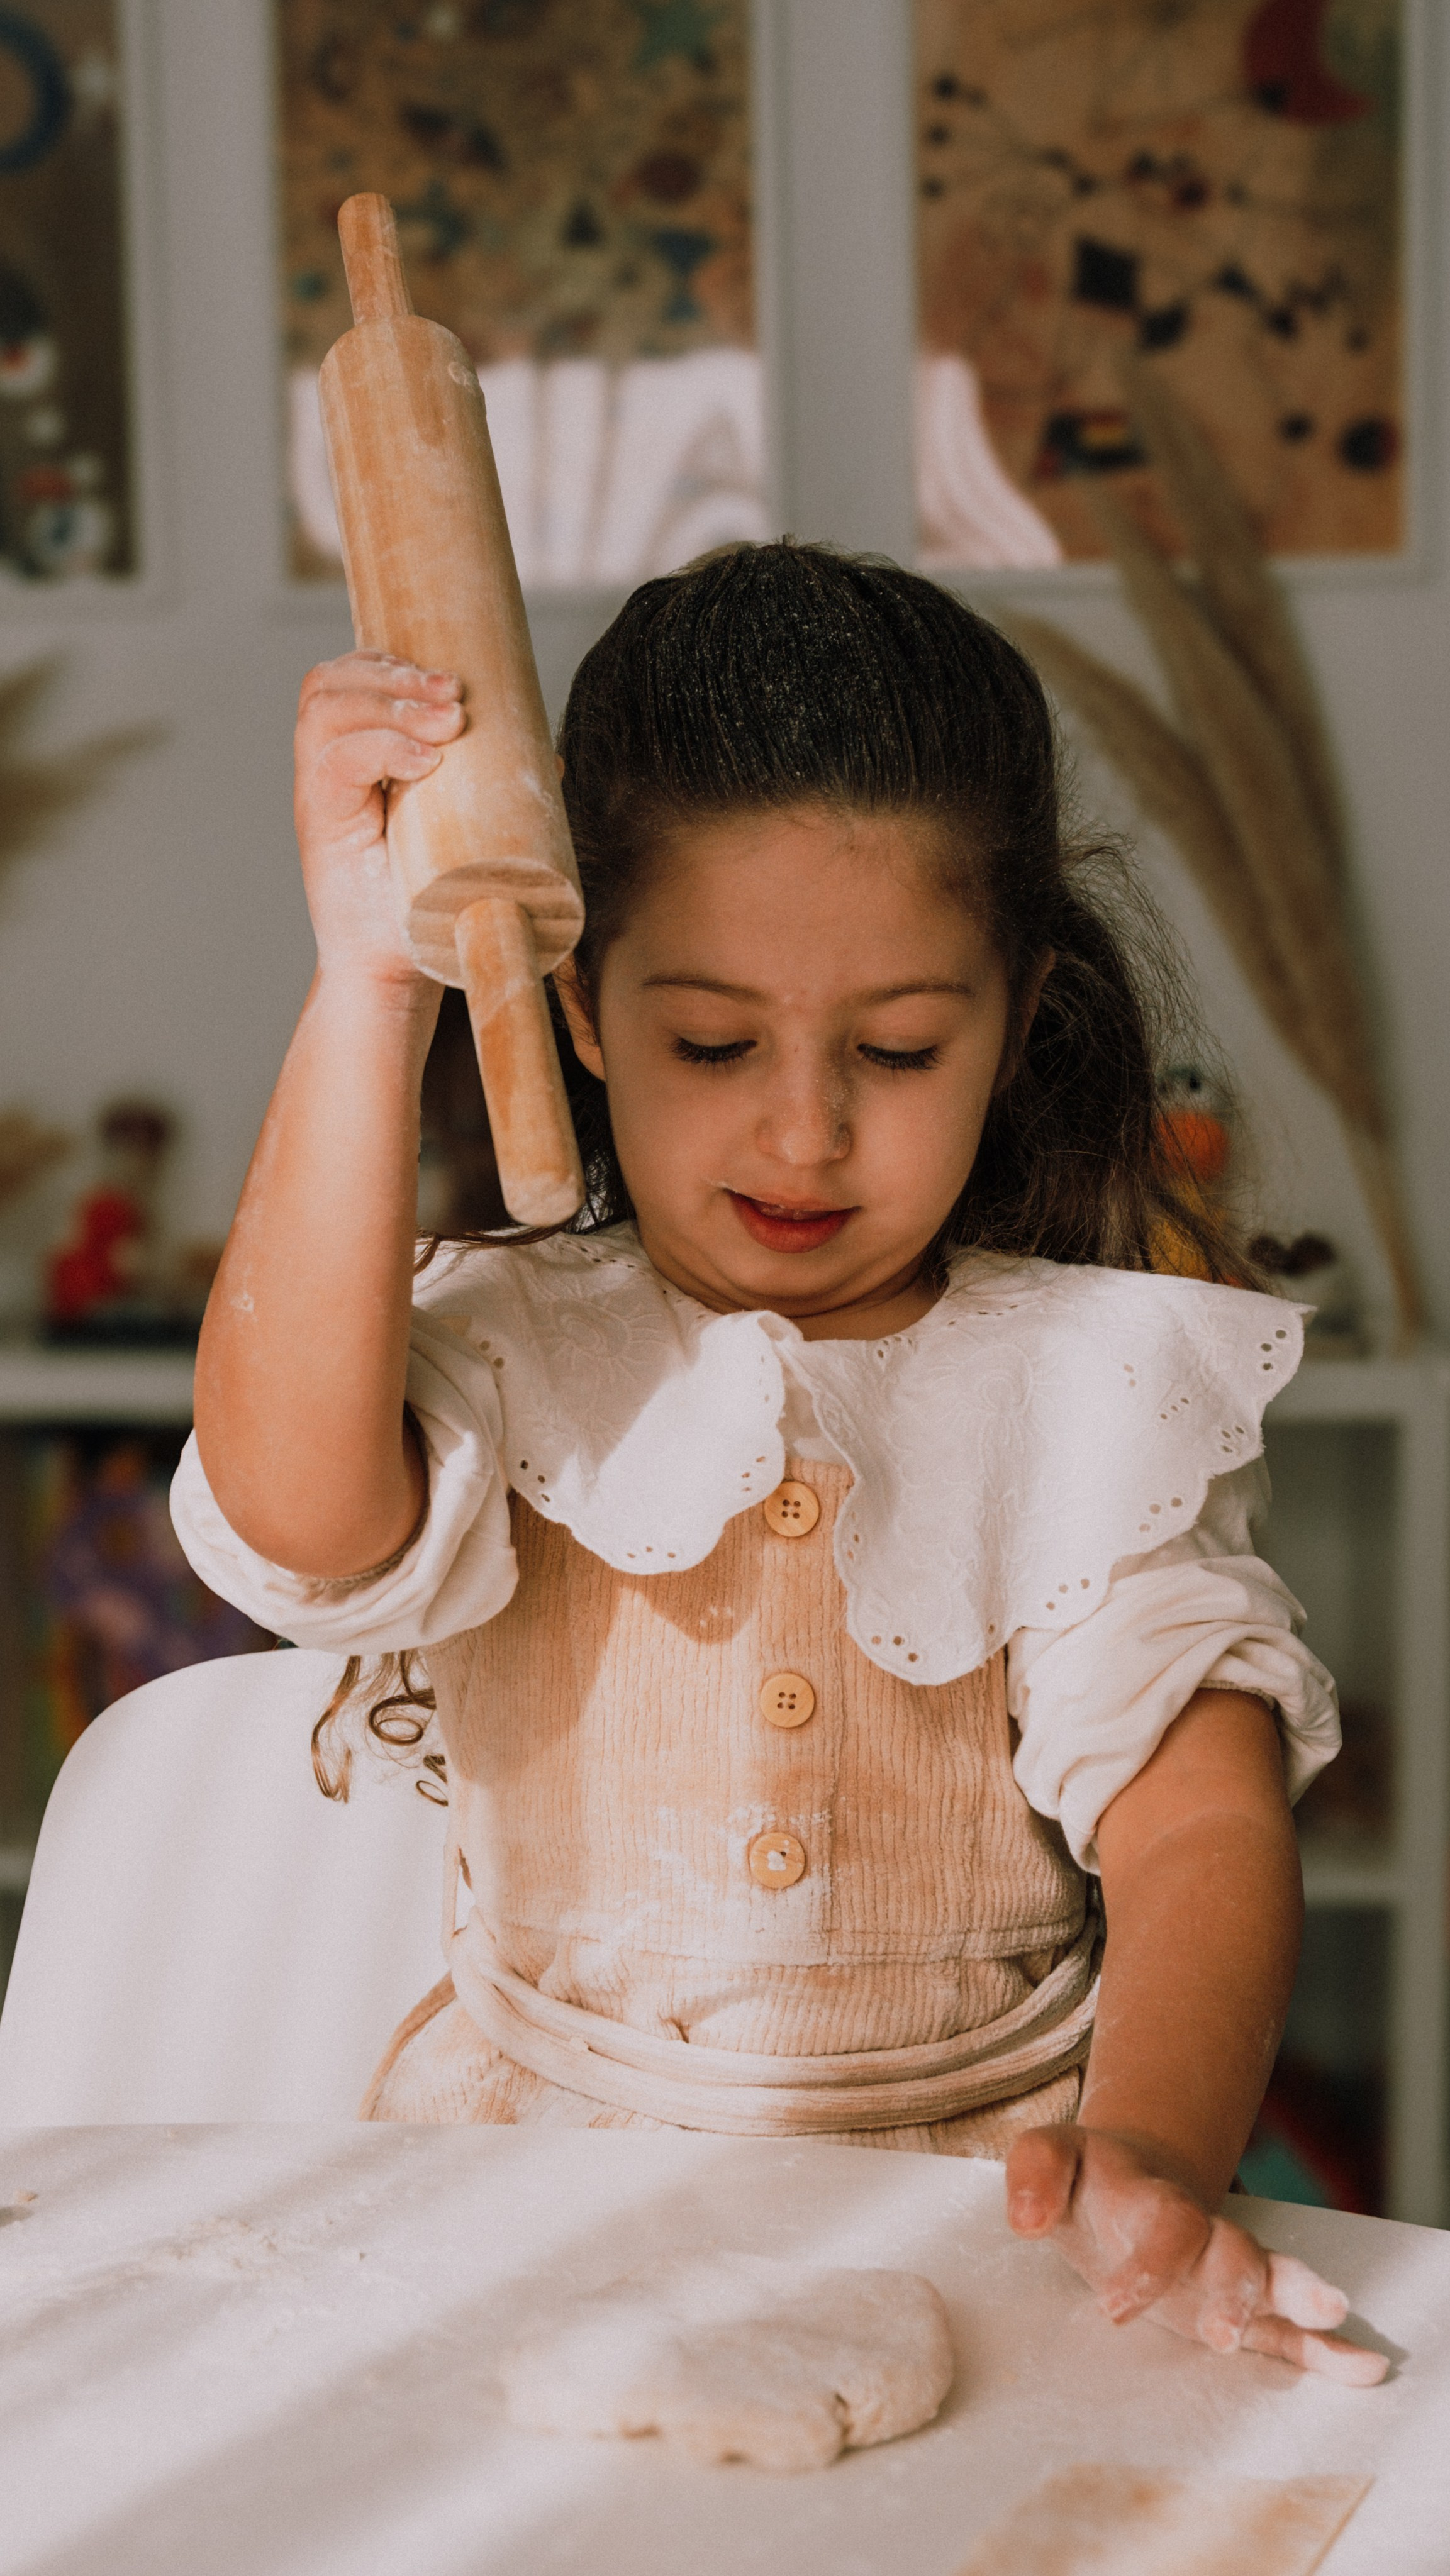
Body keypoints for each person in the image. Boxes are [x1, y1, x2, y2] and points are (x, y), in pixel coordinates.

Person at [175, 541, 1383, 2385]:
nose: (804, 1130)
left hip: (979, 2215)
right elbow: (294, 1514)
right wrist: (368, 977)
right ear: (577, 1006)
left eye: (898, 1047)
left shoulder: (1086, 1386)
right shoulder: (511, 1344)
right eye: (713, 1040)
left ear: (1016, 1014)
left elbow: (1199, 1815)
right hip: (518, 2203)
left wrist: (1147, 2142)